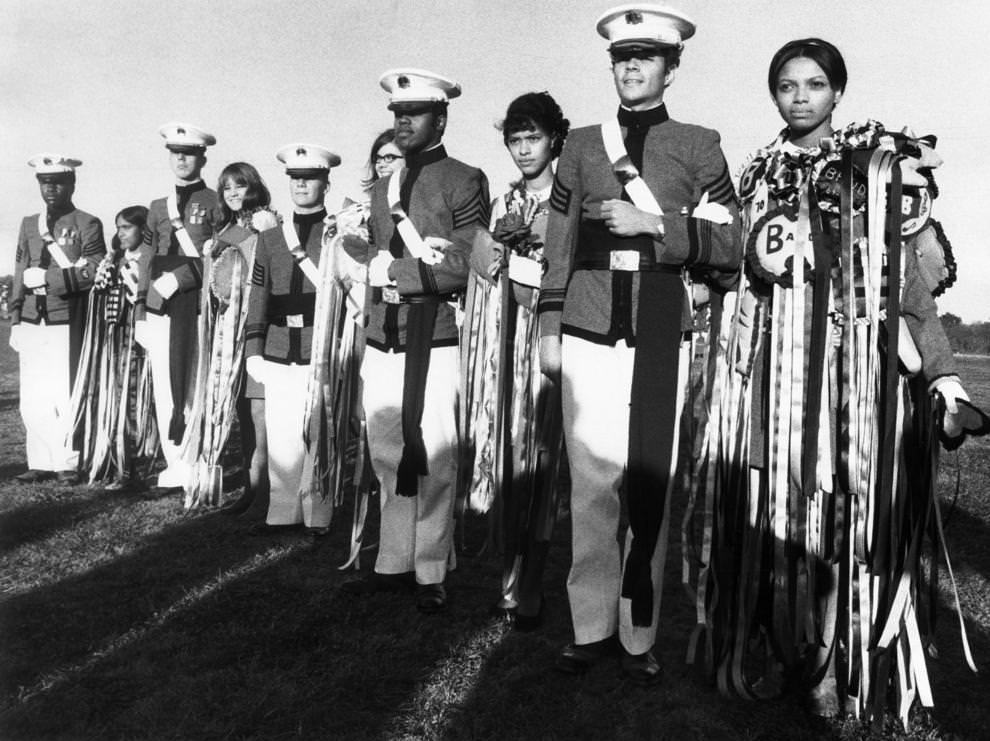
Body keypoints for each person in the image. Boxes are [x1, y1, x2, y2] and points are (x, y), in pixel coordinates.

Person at [687, 38, 983, 722]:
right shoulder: (760, 173)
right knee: (780, 509)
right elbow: (742, 262)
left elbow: (908, 286)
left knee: (844, 512)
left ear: (837, 93)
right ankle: (788, 646)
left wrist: (941, 374)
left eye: (814, 84)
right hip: (774, 369)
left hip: (851, 375)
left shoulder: (871, 169)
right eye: (786, 85)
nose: (799, 96)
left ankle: (837, 665)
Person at [538, 5, 742, 683]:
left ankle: (638, 629)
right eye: (622, 56)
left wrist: (656, 224)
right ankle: (591, 625)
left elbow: (732, 244)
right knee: (592, 479)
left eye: (646, 56)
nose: (631, 67)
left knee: (651, 476)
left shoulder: (700, 143)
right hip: (590, 321)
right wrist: (547, 321)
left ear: (671, 67)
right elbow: (559, 244)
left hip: (661, 318)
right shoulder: (581, 147)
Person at [342, 68, 490, 613]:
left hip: (438, 331)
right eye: (398, 114)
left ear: (441, 117)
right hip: (386, 332)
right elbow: (378, 259)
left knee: (435, 452)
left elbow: (464, 265)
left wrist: (392, 270)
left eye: (416, 113)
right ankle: (393, 561)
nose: (404, 122)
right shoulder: (384, 188)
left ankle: (430, 567)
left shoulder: (465, 179)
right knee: (385, 449)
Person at [463, 91, 570, 630]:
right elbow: (482, 270)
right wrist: (488, 258)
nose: (524, 150)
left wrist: (528, 270)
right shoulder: (504, 203)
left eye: (533, 138)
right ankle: (506, 579)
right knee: (504, 451)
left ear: (555, 139)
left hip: (546, 343)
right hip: (501, 345)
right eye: (515, 139)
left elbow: (564, 274)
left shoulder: (569, 201)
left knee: (541, 459)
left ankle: (532, 584)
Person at [243, 144, 349, 534]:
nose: (301, 184)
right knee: (283, 432)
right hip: (276, 344)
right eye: (295, 177)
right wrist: (253, 348)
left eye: (310, 177)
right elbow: (258, 297)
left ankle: (318, 513)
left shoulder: (336, 234)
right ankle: (283, 510)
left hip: (318, 345)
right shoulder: (271, 240)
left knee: (319, 430)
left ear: (326, 183)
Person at [9, 154, 106, 485]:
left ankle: (68, 460)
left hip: (66, 317)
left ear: (72, 183)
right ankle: (40, 460)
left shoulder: (87, 223)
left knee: (64, 391)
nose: (51, 188)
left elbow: (95, 270)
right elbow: (21, 270)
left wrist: (50, 279)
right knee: (33, 394)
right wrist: (16, 317)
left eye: (58, 181)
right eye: (44, 182)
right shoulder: (28, 224)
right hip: (32, 318)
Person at [183, 162, 276, 509]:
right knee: (239, 409)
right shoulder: (225, 231)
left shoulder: (266, 224)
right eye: (227, 188)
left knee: (258, 410)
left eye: (240, 186)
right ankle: (253, 488)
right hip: (226, 332)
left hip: (256, 328)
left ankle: (266, 489)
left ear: (254, 187)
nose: (234, 193)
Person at [135, 122, 219, 496]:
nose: (181, 159)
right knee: (165, 387)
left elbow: (223, 260)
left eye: (189, 152)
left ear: (202, 157)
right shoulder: (157, 207)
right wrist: (141, 308)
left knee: (195, 383)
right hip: (160, 305)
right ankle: (174, 466)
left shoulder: (216, 202)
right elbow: (147, 259)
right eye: (175, 152)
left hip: (196, 305)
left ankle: (197, 465)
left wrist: (183, 278)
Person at [74, 205, 157, 489]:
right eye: (117, 227)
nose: (119, 233)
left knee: (133, 400)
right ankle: (110, 462)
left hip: (138, 339)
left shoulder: (149, 260)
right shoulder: (114, 260)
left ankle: (129, 467)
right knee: (112, 398)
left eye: (126, 227)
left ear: (143, 229)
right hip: (112, 340)